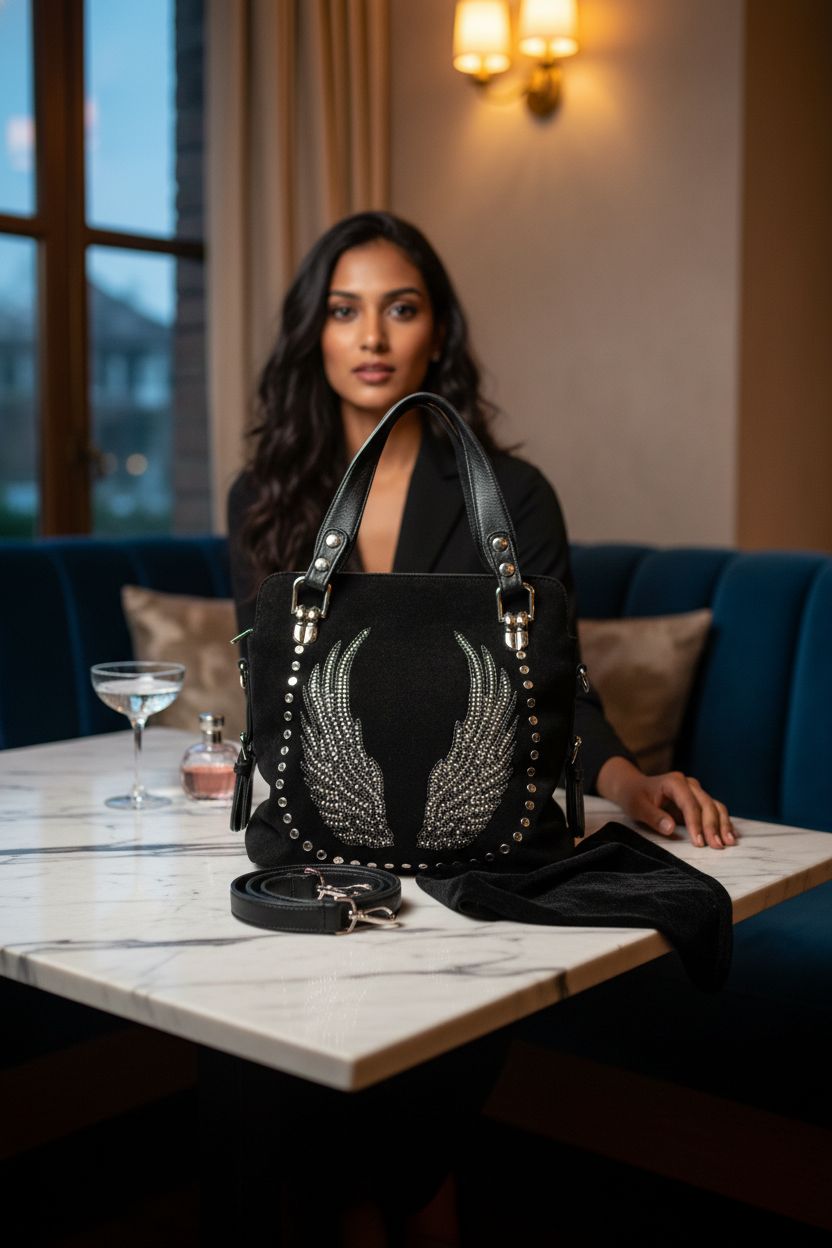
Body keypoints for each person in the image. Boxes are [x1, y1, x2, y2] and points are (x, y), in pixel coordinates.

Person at [228, 210, 734, 852]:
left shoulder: (515, 496)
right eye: (344, 311)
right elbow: (267, 686)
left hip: (484, 828)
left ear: (438, 334)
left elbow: (553, 683)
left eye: (402, 310)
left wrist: (629, 783)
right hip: (318, 833)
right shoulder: (260, 497)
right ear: (313, 335)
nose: (373, 339)